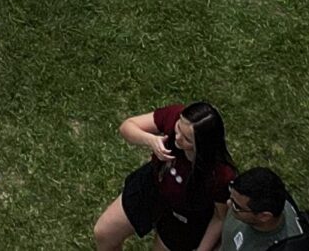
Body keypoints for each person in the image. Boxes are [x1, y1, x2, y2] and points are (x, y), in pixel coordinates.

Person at [95, 103, 235, 251]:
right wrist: (150, 140)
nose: (177, 137)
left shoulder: (220, 175)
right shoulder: (173, 115)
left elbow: (220, 217)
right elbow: (127, 127)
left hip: (185, 214)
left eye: (187, 139)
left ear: (202, 145)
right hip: (153, 184)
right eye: (178, 127)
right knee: (104, 233)